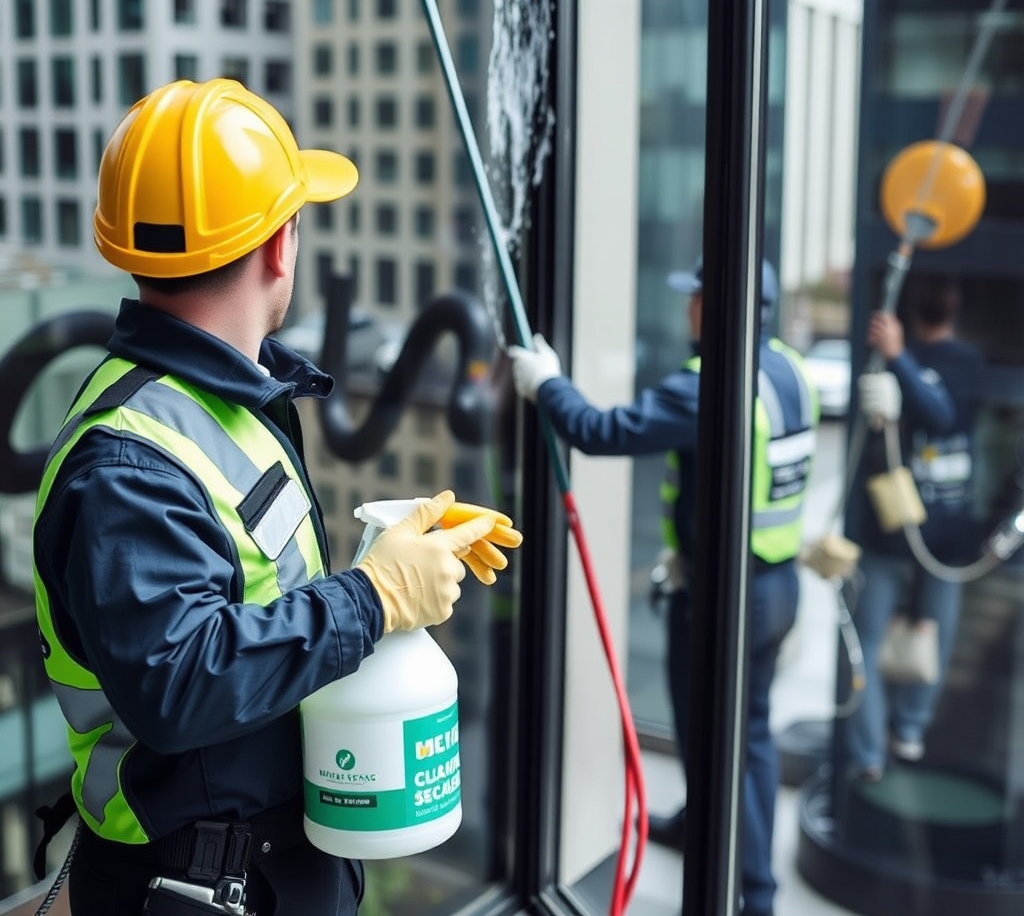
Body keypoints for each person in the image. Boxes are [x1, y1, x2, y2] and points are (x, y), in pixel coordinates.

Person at [31, 78, 521, 916]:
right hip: (194, 884)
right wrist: (374, 598)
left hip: (255, 866)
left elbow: (247, 596)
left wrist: (388, 552)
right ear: (278, 245)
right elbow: (180, 681)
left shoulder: (219, 402)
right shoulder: (129, 463)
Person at [509, 257, 818, 916]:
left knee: (712, 746)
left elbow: (601, 431)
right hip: (777, 585)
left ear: (719, 305)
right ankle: (753, 881)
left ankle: (743, 891)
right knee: (751, 735)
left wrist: (548, 384)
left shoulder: (713, 383)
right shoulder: (788, 370)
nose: (688, 309)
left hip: (722, 603)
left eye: (697, 296)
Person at [847, 272, 984, 782]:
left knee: (934, 634)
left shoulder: (960, 363)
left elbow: (942, 415)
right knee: (865, 639)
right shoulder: (886, 363)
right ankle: (867, 753)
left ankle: (907, 729)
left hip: (943, 533)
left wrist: (902, 358)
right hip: (890, 525)